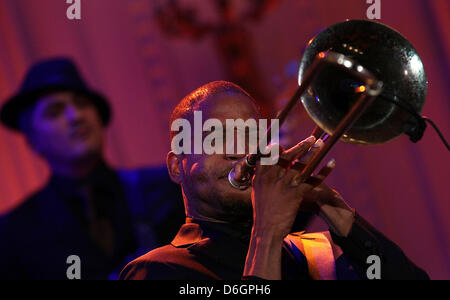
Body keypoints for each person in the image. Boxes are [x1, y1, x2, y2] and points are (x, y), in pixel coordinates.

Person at [119, 81, 429, 280]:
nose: (239, 151)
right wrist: (266, 234)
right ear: (177, 166)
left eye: (250, 137)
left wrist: (331, 206)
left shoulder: (316, 252)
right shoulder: (156, 269)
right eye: (217, 137)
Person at [0, 58, 185, 279]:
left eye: (82, 103)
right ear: (32, 140)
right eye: (55, 111)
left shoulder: (169, 188)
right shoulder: (13, 234)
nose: (75, 116)